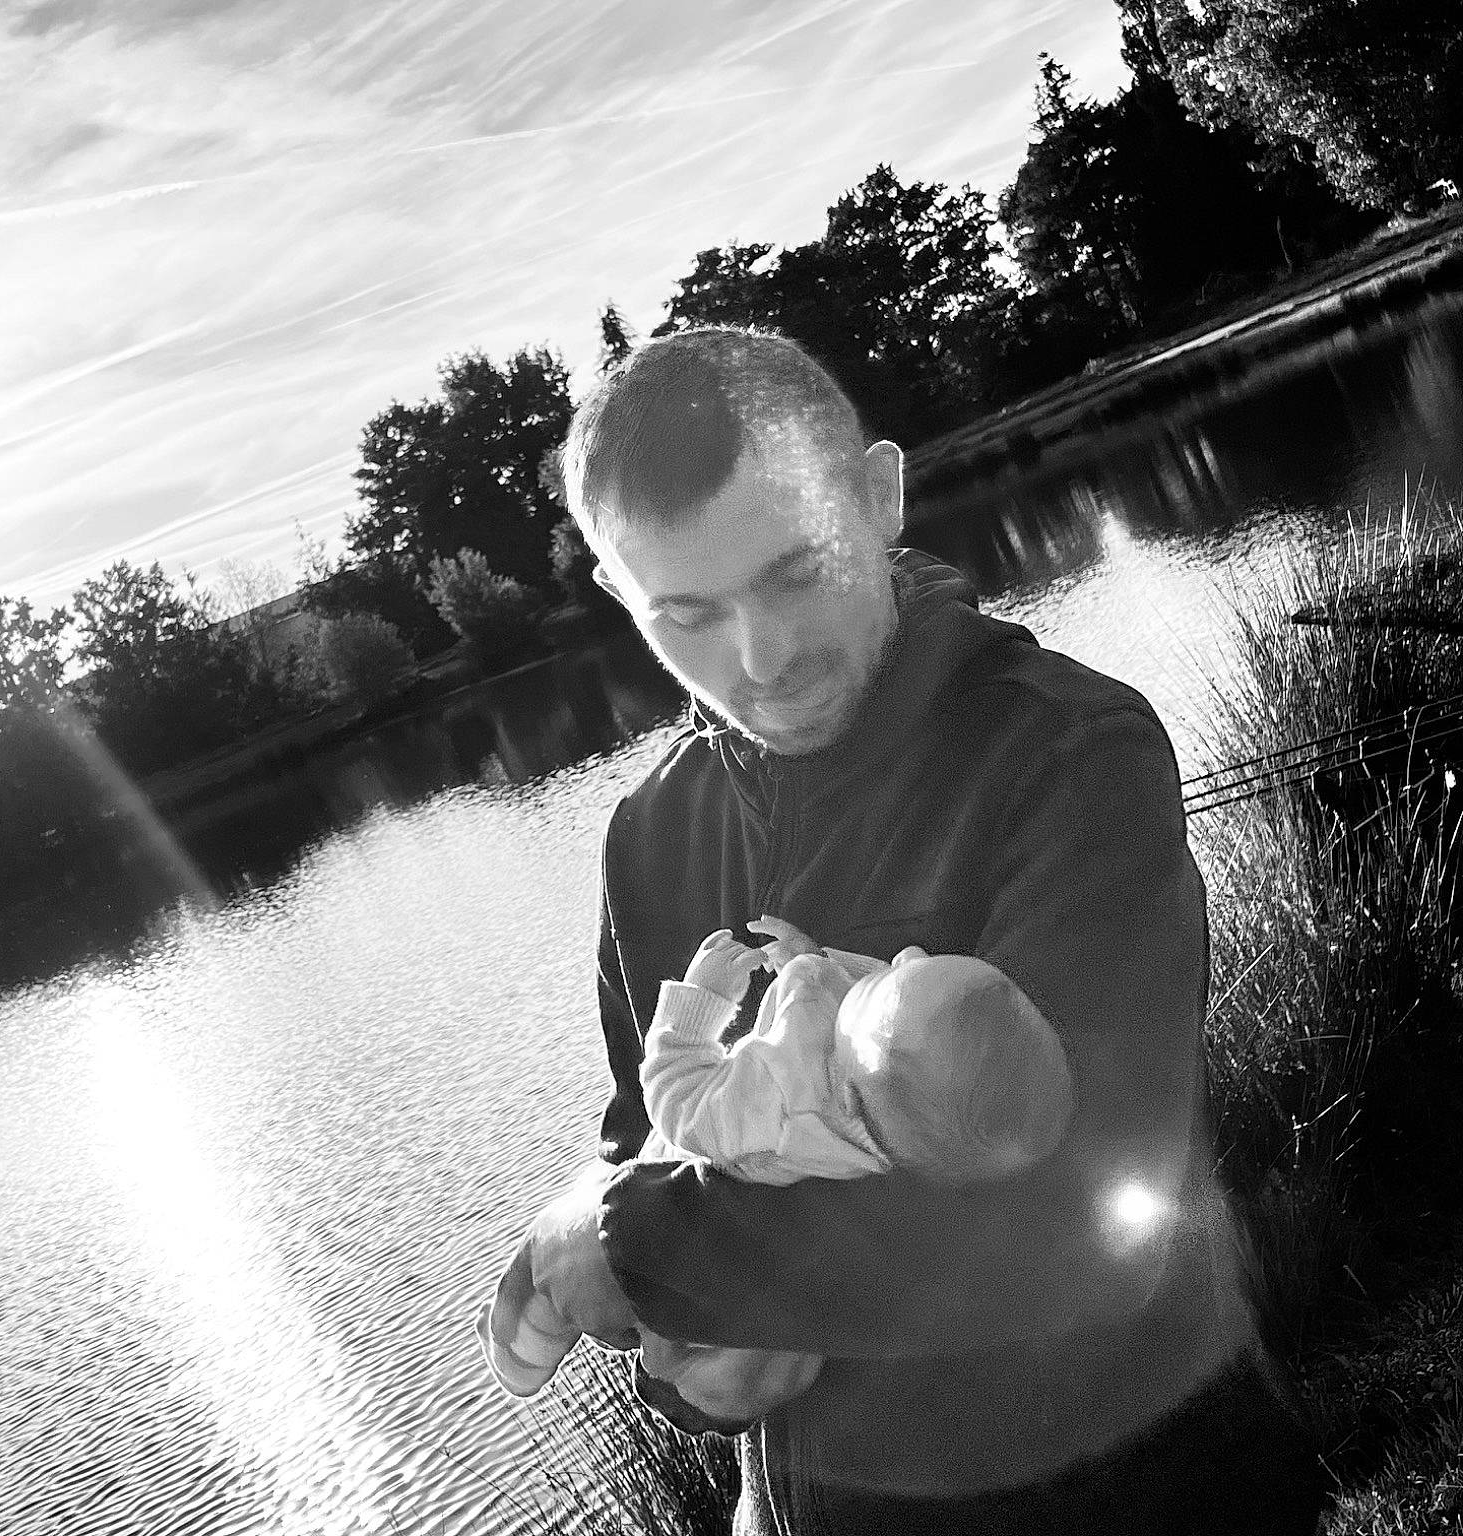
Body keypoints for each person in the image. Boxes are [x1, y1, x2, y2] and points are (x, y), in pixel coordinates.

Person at [479, 327, 1326, 1534]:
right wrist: (692, 1360)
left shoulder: (1063, 750)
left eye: (793, 572)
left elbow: (1083, 1232)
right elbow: (652, 1139)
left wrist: (622, 1246)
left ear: (879, 496)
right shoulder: (646, 836)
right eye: (687, 613)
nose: (759, 660)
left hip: (1144, 1485)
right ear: (619, 595)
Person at [479, 921, 1074, 1425]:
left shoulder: (783, 1112)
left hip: (681, 1257)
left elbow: (677, 1098)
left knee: (548, 1298)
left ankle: (523, 1349)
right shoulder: (891, 1093)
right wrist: (811, 962)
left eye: (890, 976)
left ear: (846, 1097)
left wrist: (696, 1006)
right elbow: (882, 1011)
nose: (905, 955)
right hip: (726, 1317)